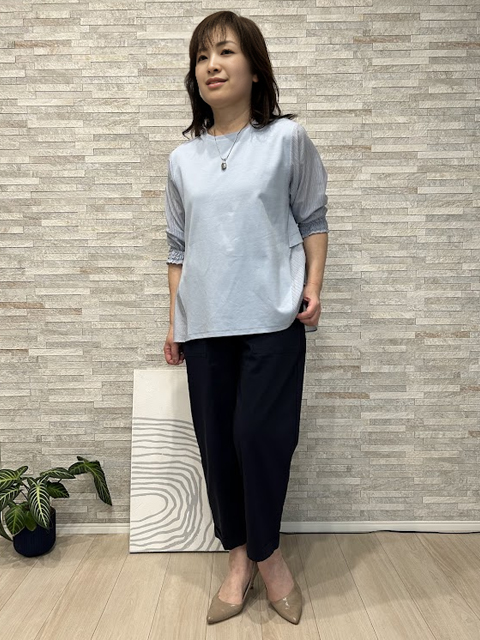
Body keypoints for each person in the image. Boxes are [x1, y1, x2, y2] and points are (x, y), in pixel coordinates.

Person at [163, 11, 329, 626]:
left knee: (261, 438)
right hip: (205, 323)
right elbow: (178, 249)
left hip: (272, 318)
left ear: (255, 68)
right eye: (202, 56)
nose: (212, 65)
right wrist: (174, 321)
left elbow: (313, 219)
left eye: (226, 51)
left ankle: (269, 555)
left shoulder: (286, 140)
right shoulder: (183, 159)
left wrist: (313, 287)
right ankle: (239, 558)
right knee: (217, 447)